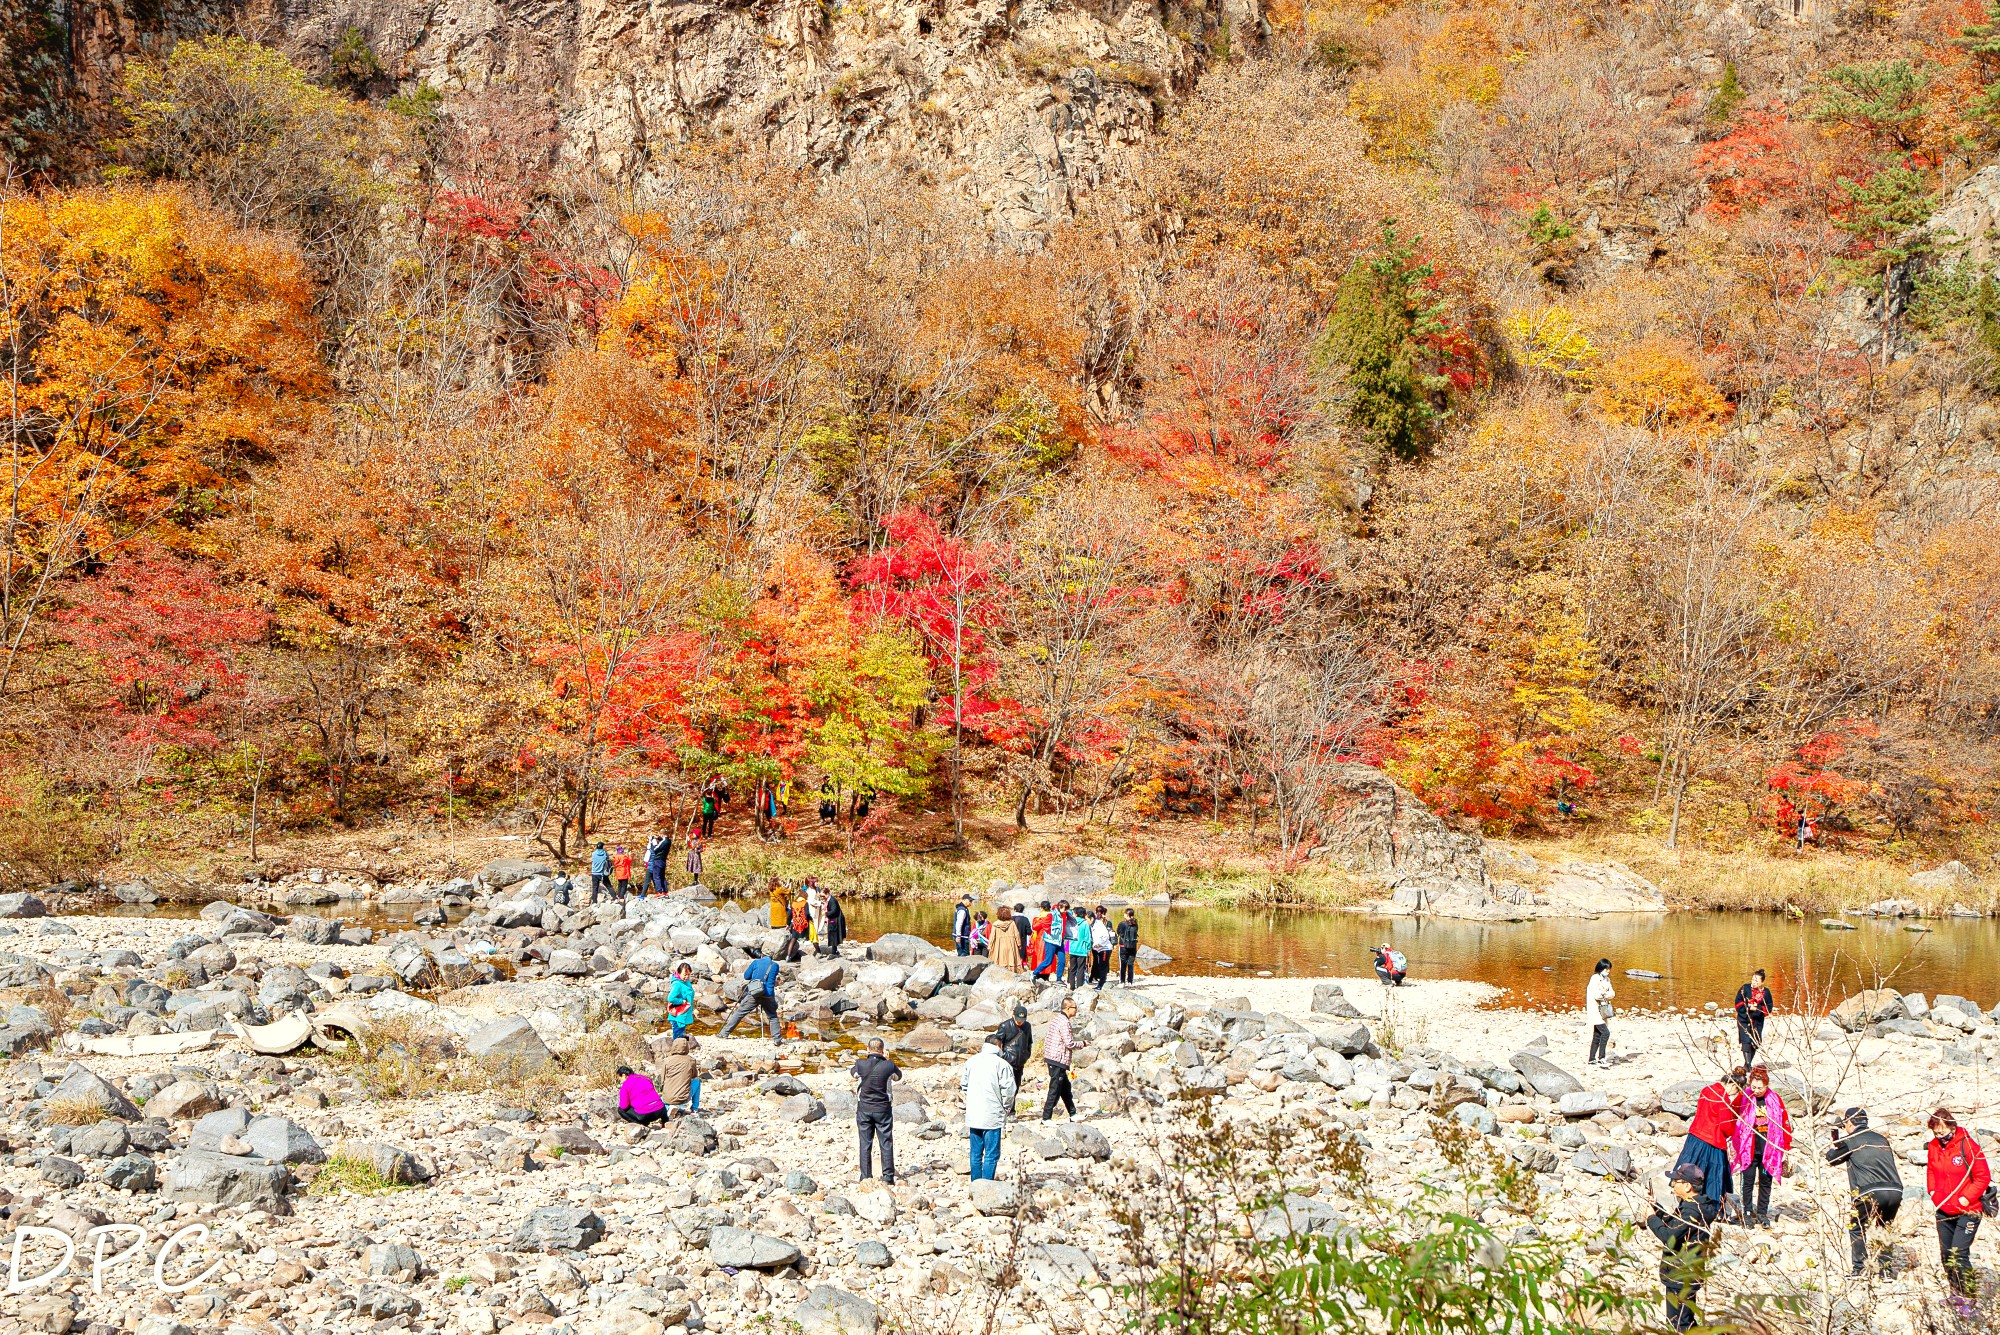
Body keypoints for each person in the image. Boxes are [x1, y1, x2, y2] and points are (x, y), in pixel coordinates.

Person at [1827, 1106, 1903, 1276]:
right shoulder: (1882, 1139)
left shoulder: (1852, 1139)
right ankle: (1885, 1271)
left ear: (1849, 1123)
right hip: (1895, 1189)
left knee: (1857, 1226)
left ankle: (1860, 1269)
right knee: (1884, 1228)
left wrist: (1833, 1146)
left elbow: (1832, 1159)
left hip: (1870, 1191)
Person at [1647, 1163, 1721, 1333]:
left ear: (1687, 1186)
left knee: (1679, 1323)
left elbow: (1669, 1236)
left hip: (1681, 1275)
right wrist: (1657, 1209)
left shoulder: (1692, 1211)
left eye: (1676, 1182)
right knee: (1684, 1318)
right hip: (1686, 1274)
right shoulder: (1697, 1206)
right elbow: (1676, 1226)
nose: (1673, 1185)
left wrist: (1651, 1218)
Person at [1926, 1108, 1991, 1298]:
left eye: (1942, 1132)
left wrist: (1966, 1197)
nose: (1939, 1136)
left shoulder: (1968, 1146)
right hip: (1943, 1208)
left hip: (1968, 1210)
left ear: (1952, 1126)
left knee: (1959, 1254)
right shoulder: (1933, 1146)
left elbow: (1983, 1177)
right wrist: (1932, 1191)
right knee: (1947, 1255)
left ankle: (1969, 1297)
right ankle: (1955, 1293)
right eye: (1936, 1132)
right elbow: (1931, 1170)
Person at [1729, 1066, 1792, 1227]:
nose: (1756, 1091)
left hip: (1768, 1149)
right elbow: (1731, 1113)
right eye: (1753, 1087)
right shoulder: (1744, 1097)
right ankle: (1747, 1212)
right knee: (1747, 1181)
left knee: (1765, 1180)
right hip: (1748, 1149)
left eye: (1760, 1088)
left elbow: (1784, 1123)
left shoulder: (1775, 1099)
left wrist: (1786, 1147)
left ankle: (1762, 1213)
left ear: (1766, 1085)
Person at [1677, 1069, 1743, 1208]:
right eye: (1736, 1091)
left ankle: (1685, 1197)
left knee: (1690, 1169)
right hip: (1712, 1141)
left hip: (1695, 1136)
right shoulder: (1722, 1098)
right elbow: (1725, 1126)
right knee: (1713, 1177)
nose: (1733, 1094)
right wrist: (1733, 1131)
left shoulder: (1707, 1090)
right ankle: (1711, 1206)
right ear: (1732, 1085)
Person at [961, 1032, 1017, 1182]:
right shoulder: (1002, 1064)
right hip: (992, 1114)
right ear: (998, 1046)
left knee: (975, 1153)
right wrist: (1006, 1108)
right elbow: (1009, 1091)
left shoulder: (971, 1062)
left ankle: (975, 1184)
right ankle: (986, 1186)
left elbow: (964, 1086)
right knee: (991, 1154)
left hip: (974, 1114)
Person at [851, 1036, 901, 1182]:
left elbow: (853, 1074)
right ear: (882, 1050)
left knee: (865, 1143)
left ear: (868, 1050)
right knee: (886, 1142)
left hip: (864, 1108)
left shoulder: (860, 1064)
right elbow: (898, 1077)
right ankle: (888, 1177)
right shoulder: (889, 1065)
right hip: (883, 1108)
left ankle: (865, 1176)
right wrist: (886, 1060)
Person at [718, 953, 783, 1043]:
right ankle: (777, 1039)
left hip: (754, 992)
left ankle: (724, 1033)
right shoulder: (775, 965)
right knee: (772, 1016)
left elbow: (746, 976)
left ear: (761, 955)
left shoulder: (756, 962)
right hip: (768, 994)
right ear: (772, 957)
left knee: (739, 1013)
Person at [1042, 995, 1078, 1120]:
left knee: (1065, 1089)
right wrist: (1082, 1044)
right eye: (1075, 1007)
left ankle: (1073, 1114)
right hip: (1058, 1059)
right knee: (1055, 1089)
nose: (1076, 1010)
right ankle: (1046, 1118)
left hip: (1053, 1057)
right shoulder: (1064, 1022)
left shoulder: (1056, 1019)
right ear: (1068, 1008)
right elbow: (1069, 1043)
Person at [1733, 969, 1774, 1069]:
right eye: (1753, 980)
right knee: (1745, 1040)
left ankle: (1748, 1063)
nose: (1754, 982)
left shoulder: (1766, 992)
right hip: (1744, 1019)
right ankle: (1748, 1064)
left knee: (1755, 1042)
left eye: (1756, 981)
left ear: (1762, 982)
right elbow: (1738, 1001)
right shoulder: (1745, 988)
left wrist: (1758, 1009)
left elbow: (1769, 1007)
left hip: (1757, 1021)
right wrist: (1747, 1007)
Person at [658, 1036, 701, 1116]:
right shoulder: (691, 1060)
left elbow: (662, 1080)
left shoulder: (667, 1061)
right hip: (683, 1098)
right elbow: (694, 1075)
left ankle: (668, 1107)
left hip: (667, 1096)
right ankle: (694, 1109)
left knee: (663, 1099)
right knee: (697, 1081)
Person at [1585, 958, 1615, 1067]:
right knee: (1605, 1033)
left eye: (1609, 969)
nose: (1608, 971)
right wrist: (1604, 994)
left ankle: (1591, 1059)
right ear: (1601, 968)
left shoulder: (1607, 980)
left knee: (1597, 1035)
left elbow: (1612, 994)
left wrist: (1604, 994)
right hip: (1594, 1011)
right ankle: (1601, 1058)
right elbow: (1596, 995)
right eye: (1606, 969)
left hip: (1603, 1012)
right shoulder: (1594, 979)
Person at [996, 1003, 1033, 1090]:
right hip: (1007, 1063)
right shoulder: (1004, 1026)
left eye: (1022, 1020)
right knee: (1006, 1088)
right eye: (1017, 1019)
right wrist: (1004, 1056)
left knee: (1016, 1088)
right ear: (1013, 1015)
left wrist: (1026, 1055)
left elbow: (1029, 1042)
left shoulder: (1027, 1026)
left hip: (1020, 1064)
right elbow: (997, 1043)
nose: (1019, 1022)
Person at [666, 962, 697, 1040]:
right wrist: (681, 1001)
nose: (686, 977)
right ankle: (677, 1048)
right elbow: (670, 998)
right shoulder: (677, 984)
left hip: (682, 1012)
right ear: (679, 973)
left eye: (688, 974)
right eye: (684, 975)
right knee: (678, 1031)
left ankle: (680, 1043)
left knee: (681, 1029)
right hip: (678, 1014)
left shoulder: (685, 981)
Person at [1036, 904, 1066, 980]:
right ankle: (1034, 973)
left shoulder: (1064, 915)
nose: (1066, 911)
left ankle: (1059, 978)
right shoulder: (1051, 914)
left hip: (1059, 940)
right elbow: (1044, 925)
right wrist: (1051, 933)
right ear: (1060, 907)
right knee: (1048, 960)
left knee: (1062, 960)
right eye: (1065, 909)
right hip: (1051, 940)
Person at [990, 905, 1024, 972]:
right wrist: (1019, 944)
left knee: (1000, 961)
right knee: (1011, 960)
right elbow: (1017, 935)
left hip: (999, 946)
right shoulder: (1012, 923)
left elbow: (992, 937)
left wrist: (990, 946)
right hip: (1011, 945)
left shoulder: (995, 924)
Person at [1065, 906, 1092, 989]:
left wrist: (1067, 948)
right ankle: (1080, 987)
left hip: (1072, 949)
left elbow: (1068, 937)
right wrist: (1089, 949)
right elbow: (1088, 938)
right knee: (1081, 969)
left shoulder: (1071, 922)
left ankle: (1072, 986)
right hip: (1082, 950)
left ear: (1076, 914)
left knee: (1072, 969)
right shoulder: (1085, 924)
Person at [1089, 908, 1114, 989]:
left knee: (1103, 966)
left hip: (1105, 948)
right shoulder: (1092, 925)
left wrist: (1098, 944)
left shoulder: (1099, 924)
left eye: (1086, 919)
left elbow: (1106, 936)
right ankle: (1096, 979)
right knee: (1098, 964)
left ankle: (1101, 984)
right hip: (1098, 948)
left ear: (1091, 918)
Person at [1116, 909, 1139, 985]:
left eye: (1125, 914)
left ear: (1127, 915)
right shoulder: (1135, 924)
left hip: (1123, 946)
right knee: (1130, 964)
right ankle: (1130, 982)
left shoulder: (1122, 924)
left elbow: (1118, 932)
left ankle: (1122, 982)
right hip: (1133, 947)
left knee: (1123, 964)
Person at [821, 888, 847, 956]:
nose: (822, 898)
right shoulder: (829, 900)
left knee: (833, 934)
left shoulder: (832, 900)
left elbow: (834, 911)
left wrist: (826, 913)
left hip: (835, 919)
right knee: (833, 934)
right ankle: (834, 950)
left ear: (827, 894)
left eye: (823, 896)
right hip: (834, 919)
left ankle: (833, 951)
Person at [645, 831, 672, 897]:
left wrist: (654, 842)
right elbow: (662, 843)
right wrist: (657, 838)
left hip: (658, 860)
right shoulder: (668, 841)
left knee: (656, 876)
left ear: (662, 834)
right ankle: (665, 891)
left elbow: (656, 849)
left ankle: (659, 891)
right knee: (662, 876)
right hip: (663, 860)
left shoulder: (664, 841)